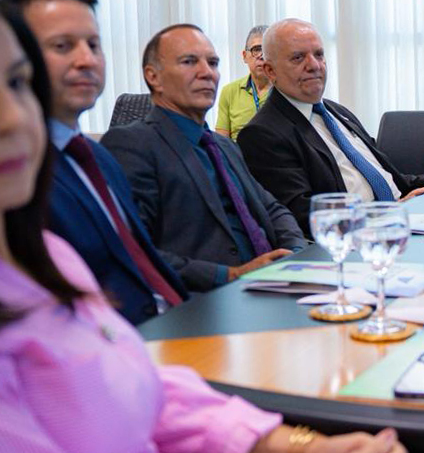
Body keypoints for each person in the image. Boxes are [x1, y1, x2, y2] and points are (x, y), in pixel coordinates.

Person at [0, 0, 419, 453]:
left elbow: (135, 382)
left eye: (17, 83)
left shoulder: (44, 256)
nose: (11, 117)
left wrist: (298, 448)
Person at [1, 0, 187, 324]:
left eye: (93, 44)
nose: (86, 60)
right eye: (62, 46)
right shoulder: (10, 172)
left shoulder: (99, 158)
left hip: (177, 323)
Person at [102, 24, 306, 291]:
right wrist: (231, 275)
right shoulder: (132, 144)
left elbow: (271, 209)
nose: (207, 72)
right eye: (189, 62)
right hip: (205, 298)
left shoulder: (224, 146)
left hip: (274, 284)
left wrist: (296, 253)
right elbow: (133, 248)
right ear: (153, 77)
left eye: (213, 63)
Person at [238, 18, 424, 233]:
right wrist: (384, 214)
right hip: (356, 238)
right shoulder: (262, 134)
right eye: (298, 57)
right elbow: (302, 215)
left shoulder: (335, 111)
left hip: (403, 219)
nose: (314, 65)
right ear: (270, 71)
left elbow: (388, 177)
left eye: (319, 55)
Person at [217, 24, 271, 141]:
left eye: (266, 50)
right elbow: (221, 142)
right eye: (256, 49)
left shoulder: (286, 90)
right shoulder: (229, 92)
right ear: (244, 56)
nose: (261, 56)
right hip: (238, 152)